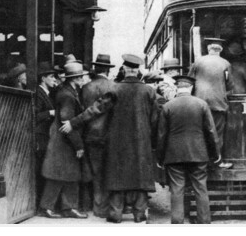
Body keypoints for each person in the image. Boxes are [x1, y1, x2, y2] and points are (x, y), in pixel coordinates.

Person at [60, 54, 159, 223]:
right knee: (140, 177)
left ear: (125, 69)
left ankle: (115, 214)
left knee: (117, 176)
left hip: (118, 141)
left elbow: (96, 109)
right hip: (141, 141)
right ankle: (139, 214)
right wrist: (153, 141)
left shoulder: (115, 89)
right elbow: (155, 119)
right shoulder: (149, 91)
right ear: (137, 71)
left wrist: (74, 122)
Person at [156, 75, 220, 224]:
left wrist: (160, 158)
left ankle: (177, 222)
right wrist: (215, 153)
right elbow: (211, 131)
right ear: (191, 88)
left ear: (177, 88)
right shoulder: (201, 104)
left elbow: (161, 135)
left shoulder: (168, 106)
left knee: (177, 190)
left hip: (174, 155)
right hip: (198, 154)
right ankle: (204, 221)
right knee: (200, 188)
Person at [38, 62, 92, 219]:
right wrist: (78, 145)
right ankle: (50, 207)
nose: (83, 80)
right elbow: (66, 122)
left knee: (68, 175)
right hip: (64, 142)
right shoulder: (68, 95)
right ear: (75, 79)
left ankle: (67, 207)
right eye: (81, 77)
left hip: (62, 141)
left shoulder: (68, 91)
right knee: (60, 175)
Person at [78, 53, 116, 217]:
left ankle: (89, 205)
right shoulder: (113, 86)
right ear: (108, 70)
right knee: (107, 171)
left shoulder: (85, 88)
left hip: (89, 133)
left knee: (90, 170)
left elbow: (82, 110)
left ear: (96, 68)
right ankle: (102, 207)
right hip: (109, 135)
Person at [189, 38, 234, 169]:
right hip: (217, 104)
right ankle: (216, 162)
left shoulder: (198, 62)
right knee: (217, 133)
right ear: (221, 50)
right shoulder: (225, 63)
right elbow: (230, 85)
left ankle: (199, 164)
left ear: (208, 49)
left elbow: (190, 81)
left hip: (198, 104)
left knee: (200, 133)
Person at [34, 61, 57, 209]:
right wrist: (50, 112)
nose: (54, 79)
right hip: (40, 136)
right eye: (51, 77)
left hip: (45, 136)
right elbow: (34, 115)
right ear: (43, 79)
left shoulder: (47, 93)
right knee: (40, 169)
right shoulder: (38, 93)